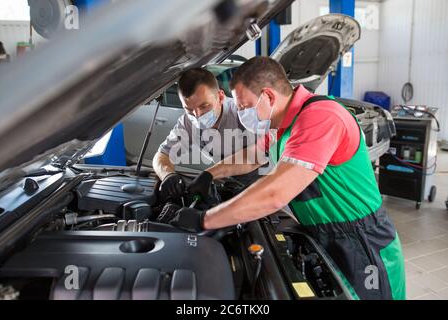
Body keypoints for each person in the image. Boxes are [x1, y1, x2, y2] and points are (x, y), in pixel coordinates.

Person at [168, 57, 406, 300]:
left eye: (244, 107)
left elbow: (275, 193)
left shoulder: (321, 117)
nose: (240, 114)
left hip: (361, 240)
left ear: (268, 96)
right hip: (324, 234)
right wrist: (209, 174)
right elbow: (252, 156)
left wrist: (204, 219)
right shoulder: (281, 125)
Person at [153, 67, 258, 201]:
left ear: (220, 97)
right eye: (189, 110)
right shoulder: (188, 122)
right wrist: (167, 175)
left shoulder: (243, 113)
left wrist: (209, 174)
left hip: (266, 185)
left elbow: (255, 157)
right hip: (230, 187)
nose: (197, 116)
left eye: (204, 106)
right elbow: (161, 155)